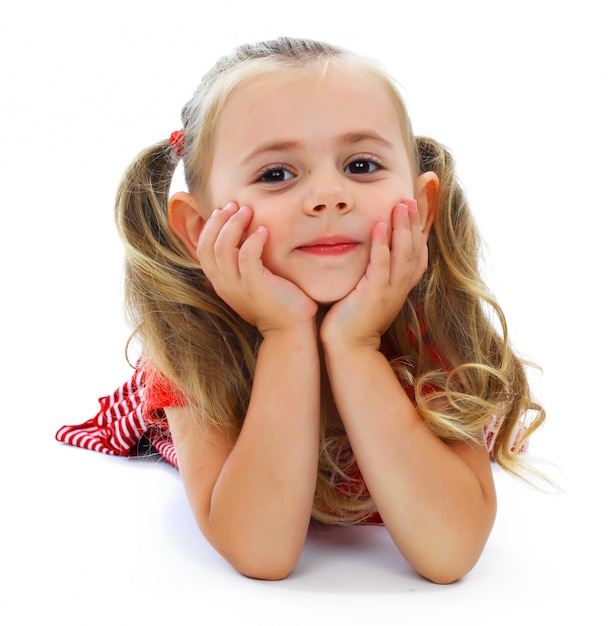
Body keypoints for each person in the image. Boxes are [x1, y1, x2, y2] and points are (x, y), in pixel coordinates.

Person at [56, 37, 545, 584]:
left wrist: (355, 345)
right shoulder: (192, 346)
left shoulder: (433, 324)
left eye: (361, 164)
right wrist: (285, 331)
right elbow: (260, 551)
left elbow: (449, 551)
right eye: (276, 174)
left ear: (422, 208)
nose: (329, 196)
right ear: (200, 229)